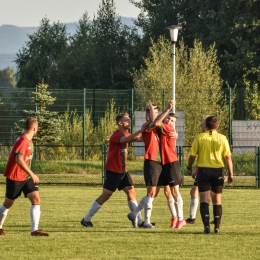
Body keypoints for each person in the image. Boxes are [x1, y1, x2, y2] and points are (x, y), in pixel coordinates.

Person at [80, 113, 148, 228]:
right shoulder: (116, 135)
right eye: (126, 120)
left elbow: (140, 139)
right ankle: (86, 219)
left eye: (129, 119)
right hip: (114, 171)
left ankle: (139, 221)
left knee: (131, 192)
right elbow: (128, 139)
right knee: (106, 195)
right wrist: (141, 130)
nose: (129, 121)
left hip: (123, 171)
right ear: (120, 123)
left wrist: (150, 131)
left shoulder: (126, 134)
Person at [128, 101, 180, 229]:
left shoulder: (161, 127)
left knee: (155, 193)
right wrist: (165, 109)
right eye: (155, 113)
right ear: (148, 115)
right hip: (152, 161)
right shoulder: (147, 125)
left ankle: (134, 214)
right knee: (151, 192)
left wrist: (176, 134)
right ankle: (146, 222)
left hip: (163, 163)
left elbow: (167, 133)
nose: (157, 115)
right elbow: (154, 121)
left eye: (157, 113)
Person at [0, 117, 49, 236]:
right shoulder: (23, 140)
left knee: (36, 199)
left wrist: (29, 175)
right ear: (34, 128)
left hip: (26, 177)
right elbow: (19, 159)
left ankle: (34, 230)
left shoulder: (29, 141)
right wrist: (32, 173)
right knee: (8, 203)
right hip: (15, 177)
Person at [187, 116, 233, 234]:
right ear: (217, 126)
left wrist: (189, 167)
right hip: (218, 171)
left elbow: (192, 156)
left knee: (204, 200)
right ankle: (217, 228)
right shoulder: (222, 138)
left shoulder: (200, 137)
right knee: (217, 200)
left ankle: (206, 226)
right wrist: (231, 174)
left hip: (203, 171)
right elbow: (228, 157)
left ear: (206, 126)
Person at [152, 107, 186, 229]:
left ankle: (181, 218)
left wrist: (166, 109)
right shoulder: (163, 129)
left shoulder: (168, 128)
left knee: (175, 191)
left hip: (171, 163)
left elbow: (156, 122)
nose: (171, 122)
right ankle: (175, 217)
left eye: (173, 121)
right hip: (164, 163)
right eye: (169, 119)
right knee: (168, 192)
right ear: (165, 118)